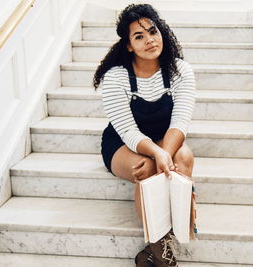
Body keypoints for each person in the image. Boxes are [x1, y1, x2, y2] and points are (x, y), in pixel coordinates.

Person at [93, 4, 196, 267]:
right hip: (123, 142)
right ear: (128, 45)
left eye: (153, 31)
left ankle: (156, 249)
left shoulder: (180, 70)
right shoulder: (115, 77)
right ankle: (162, 254)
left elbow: (180, 122)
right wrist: (157, 154)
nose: (149, 40)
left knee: (184, 157)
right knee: (148, 168)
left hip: (166, 138)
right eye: (139, 36)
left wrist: (166, 153)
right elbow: (127, 130)